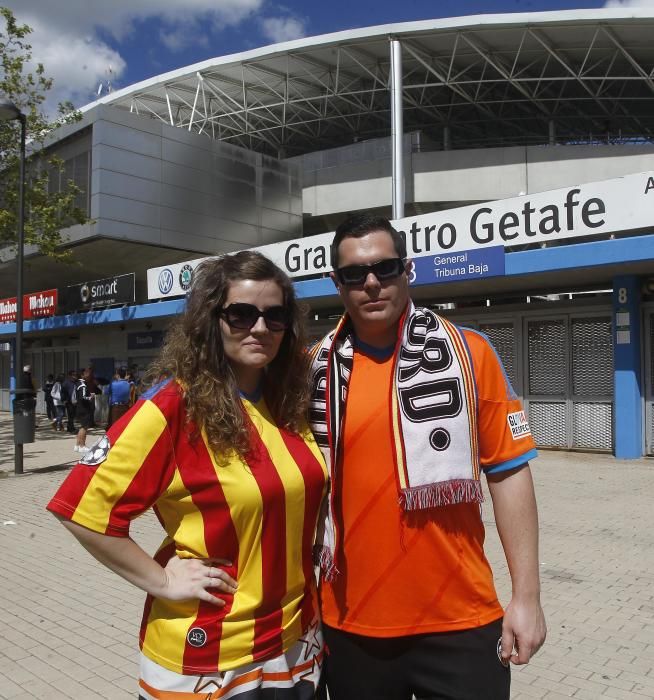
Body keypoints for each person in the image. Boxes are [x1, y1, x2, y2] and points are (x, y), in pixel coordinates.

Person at [47, 251, 328, 700]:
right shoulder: (174, 407)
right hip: (209, 655)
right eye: (241, 313)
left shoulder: (291, 401)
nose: (260, 327)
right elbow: (81, 509)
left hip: (297, 643)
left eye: (275, 316)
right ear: (210, 320)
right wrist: (162, 582)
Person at [309, 213, 547, 700]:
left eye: (385, 268)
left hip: (461, 620)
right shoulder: (311, 372)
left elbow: (508, 475)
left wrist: (527, 598)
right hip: (351, 624)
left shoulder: (469, 354)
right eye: (355, 274)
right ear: (337, 283)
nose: (371, 283)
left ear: (407, 270)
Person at [73, 367, 95, 453]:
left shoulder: (78, 383)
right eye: (87, 373)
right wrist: (91, 397)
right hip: (84, 408)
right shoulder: (82, 385)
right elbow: (83, 397)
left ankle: (77, 445)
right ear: (82, 375)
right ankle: (82, 445)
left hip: (80, 408)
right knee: (84, 427)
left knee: (81, 427)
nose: (89, 375)